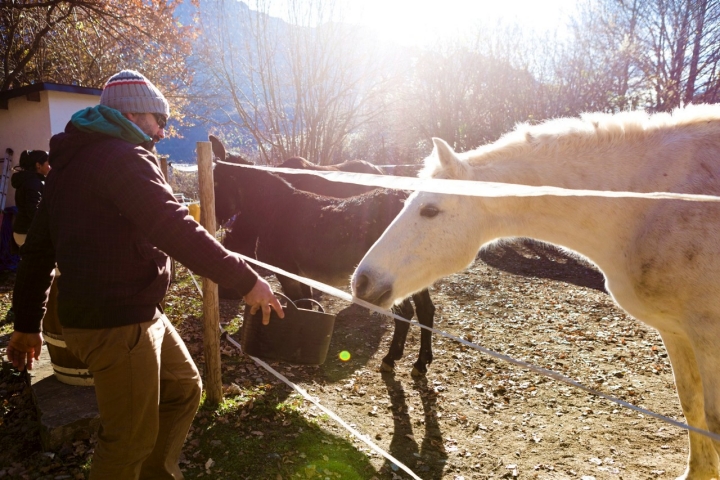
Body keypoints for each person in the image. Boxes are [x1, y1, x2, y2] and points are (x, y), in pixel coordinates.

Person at [5, 69, 283, 480]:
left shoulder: (73, 162)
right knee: (128, 441)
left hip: (132, 312)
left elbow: (39, 250)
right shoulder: (121, 157)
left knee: (183, 390)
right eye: (159, 120)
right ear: (134, 115)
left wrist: (27, 323)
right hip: (118, 321)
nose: (161, 131)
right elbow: (174, 227)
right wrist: (247, 280)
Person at [11, 149, 50, 247]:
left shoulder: (29, 180)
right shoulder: (33, 183)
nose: (50, 166)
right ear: (38, 165)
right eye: (48, 162)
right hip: (28, 233)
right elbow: (33, 210)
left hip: (21, 231)